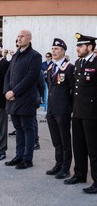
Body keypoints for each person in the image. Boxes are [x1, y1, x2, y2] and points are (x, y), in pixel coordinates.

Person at [64, 33, 97, 194]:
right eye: (77, 45)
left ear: (90, 47)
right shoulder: (78, 63)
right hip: (77, 111)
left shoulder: (96, 62)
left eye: (80, 45)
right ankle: (80, 174)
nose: (77, 48)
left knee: (93, 148)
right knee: (78, 145)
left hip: (92, 113)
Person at [4, 30, 42, 169]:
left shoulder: (35, 56)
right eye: (18, 36)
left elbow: (30, 78)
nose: (19, 38)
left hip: (26, 99)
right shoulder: (16, 55)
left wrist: (14, 91)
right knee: (18, 129)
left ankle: (27, 159)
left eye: (22, 36)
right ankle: (19, 156)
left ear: (29, 38)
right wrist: (7, 91)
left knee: (28, 129)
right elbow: (8, 75)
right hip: (12, 99)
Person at [45, 38, 74, 179]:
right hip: (51, 109)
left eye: (57, 49)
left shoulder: (69, 68)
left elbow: (73, 90)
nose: (54, 51)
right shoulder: (51, 67)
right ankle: (58, 163)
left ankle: (65, 167)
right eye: (52, 49)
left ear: (63, 51)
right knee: (56, 140)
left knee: (64, 140)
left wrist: (70, 108)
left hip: (63, 110)